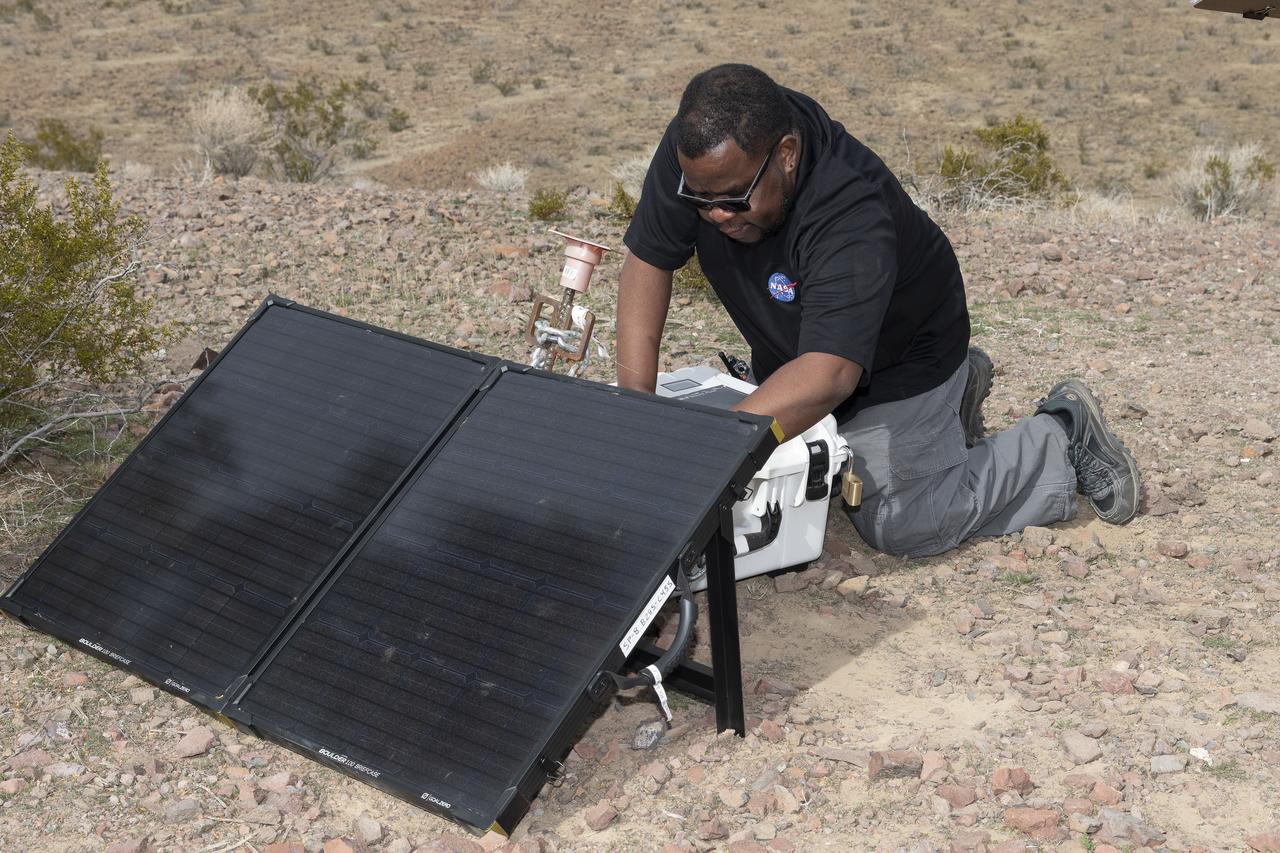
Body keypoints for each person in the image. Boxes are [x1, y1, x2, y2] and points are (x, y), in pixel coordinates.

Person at [616, 63, 1140, 558]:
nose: (714, 214)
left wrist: (710, 452)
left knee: (899, 519)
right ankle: (953, 404)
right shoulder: (707, 154)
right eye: (701, 199)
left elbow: (830, 376)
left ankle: (1058, 438)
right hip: (800, 351)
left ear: (788, 154)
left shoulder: (850, 210)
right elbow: (649, 258)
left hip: (899, 363)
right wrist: (633, 412)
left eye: (733, 199)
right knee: (755, 455)